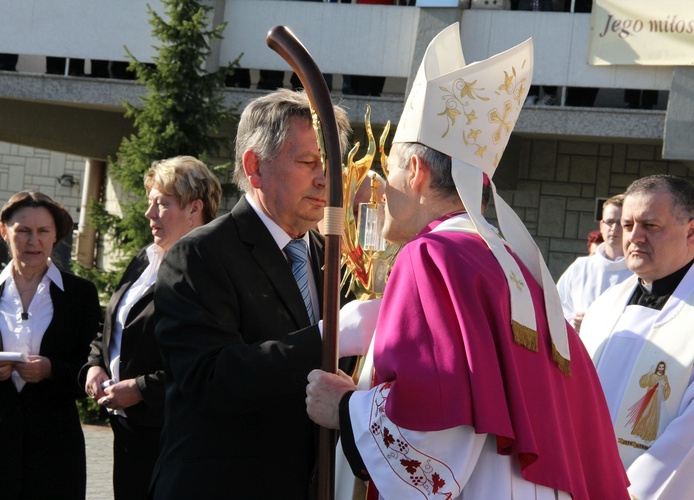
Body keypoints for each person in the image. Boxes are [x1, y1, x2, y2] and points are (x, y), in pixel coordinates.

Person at [306, 23, 629, 499]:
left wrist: (345, 408)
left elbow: (433, 422)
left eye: (391, 168)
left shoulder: (431, 257)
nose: (383, 184)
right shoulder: (515, 262)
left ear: (415, 172)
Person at [150, 88, 378, 499]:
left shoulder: (333, 258)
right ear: (254, 166)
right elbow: (211, 380)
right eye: (308, 162)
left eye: (330, 164)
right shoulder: (199, 254)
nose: (326, 178)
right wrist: (327, 337)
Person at [80, 156, 222, 500]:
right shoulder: (146, 258)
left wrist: (142, 389)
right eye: (150, 203)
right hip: (128, 428)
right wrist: (95, 364)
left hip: (172, 432)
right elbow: (113, 325)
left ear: (194, 208)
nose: (150, 213)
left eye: (162, 204)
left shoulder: (211, 269)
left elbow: (209, 362)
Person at [0, 190, 101, 499]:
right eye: (23, 231)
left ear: (56, 235)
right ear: (5, 232)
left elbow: (91, 371)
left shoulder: (80, 295)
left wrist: (51, 370)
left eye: (43, 231)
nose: (34, 241)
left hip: (54, 449)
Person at [580, 174, 694, 499]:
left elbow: (687, 442)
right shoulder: (604, 306)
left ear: (691, 232)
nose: (634, 237)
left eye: (650, 226)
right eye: (628, 225)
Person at [556, 194, 632, 332]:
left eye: (621, 222)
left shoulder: (640, 271)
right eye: (610, 221)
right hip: (580, 348)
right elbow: (556, 306)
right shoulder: (580, 267)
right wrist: (575, 322)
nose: (614, 228)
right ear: (602, 225)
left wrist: (594, 323)